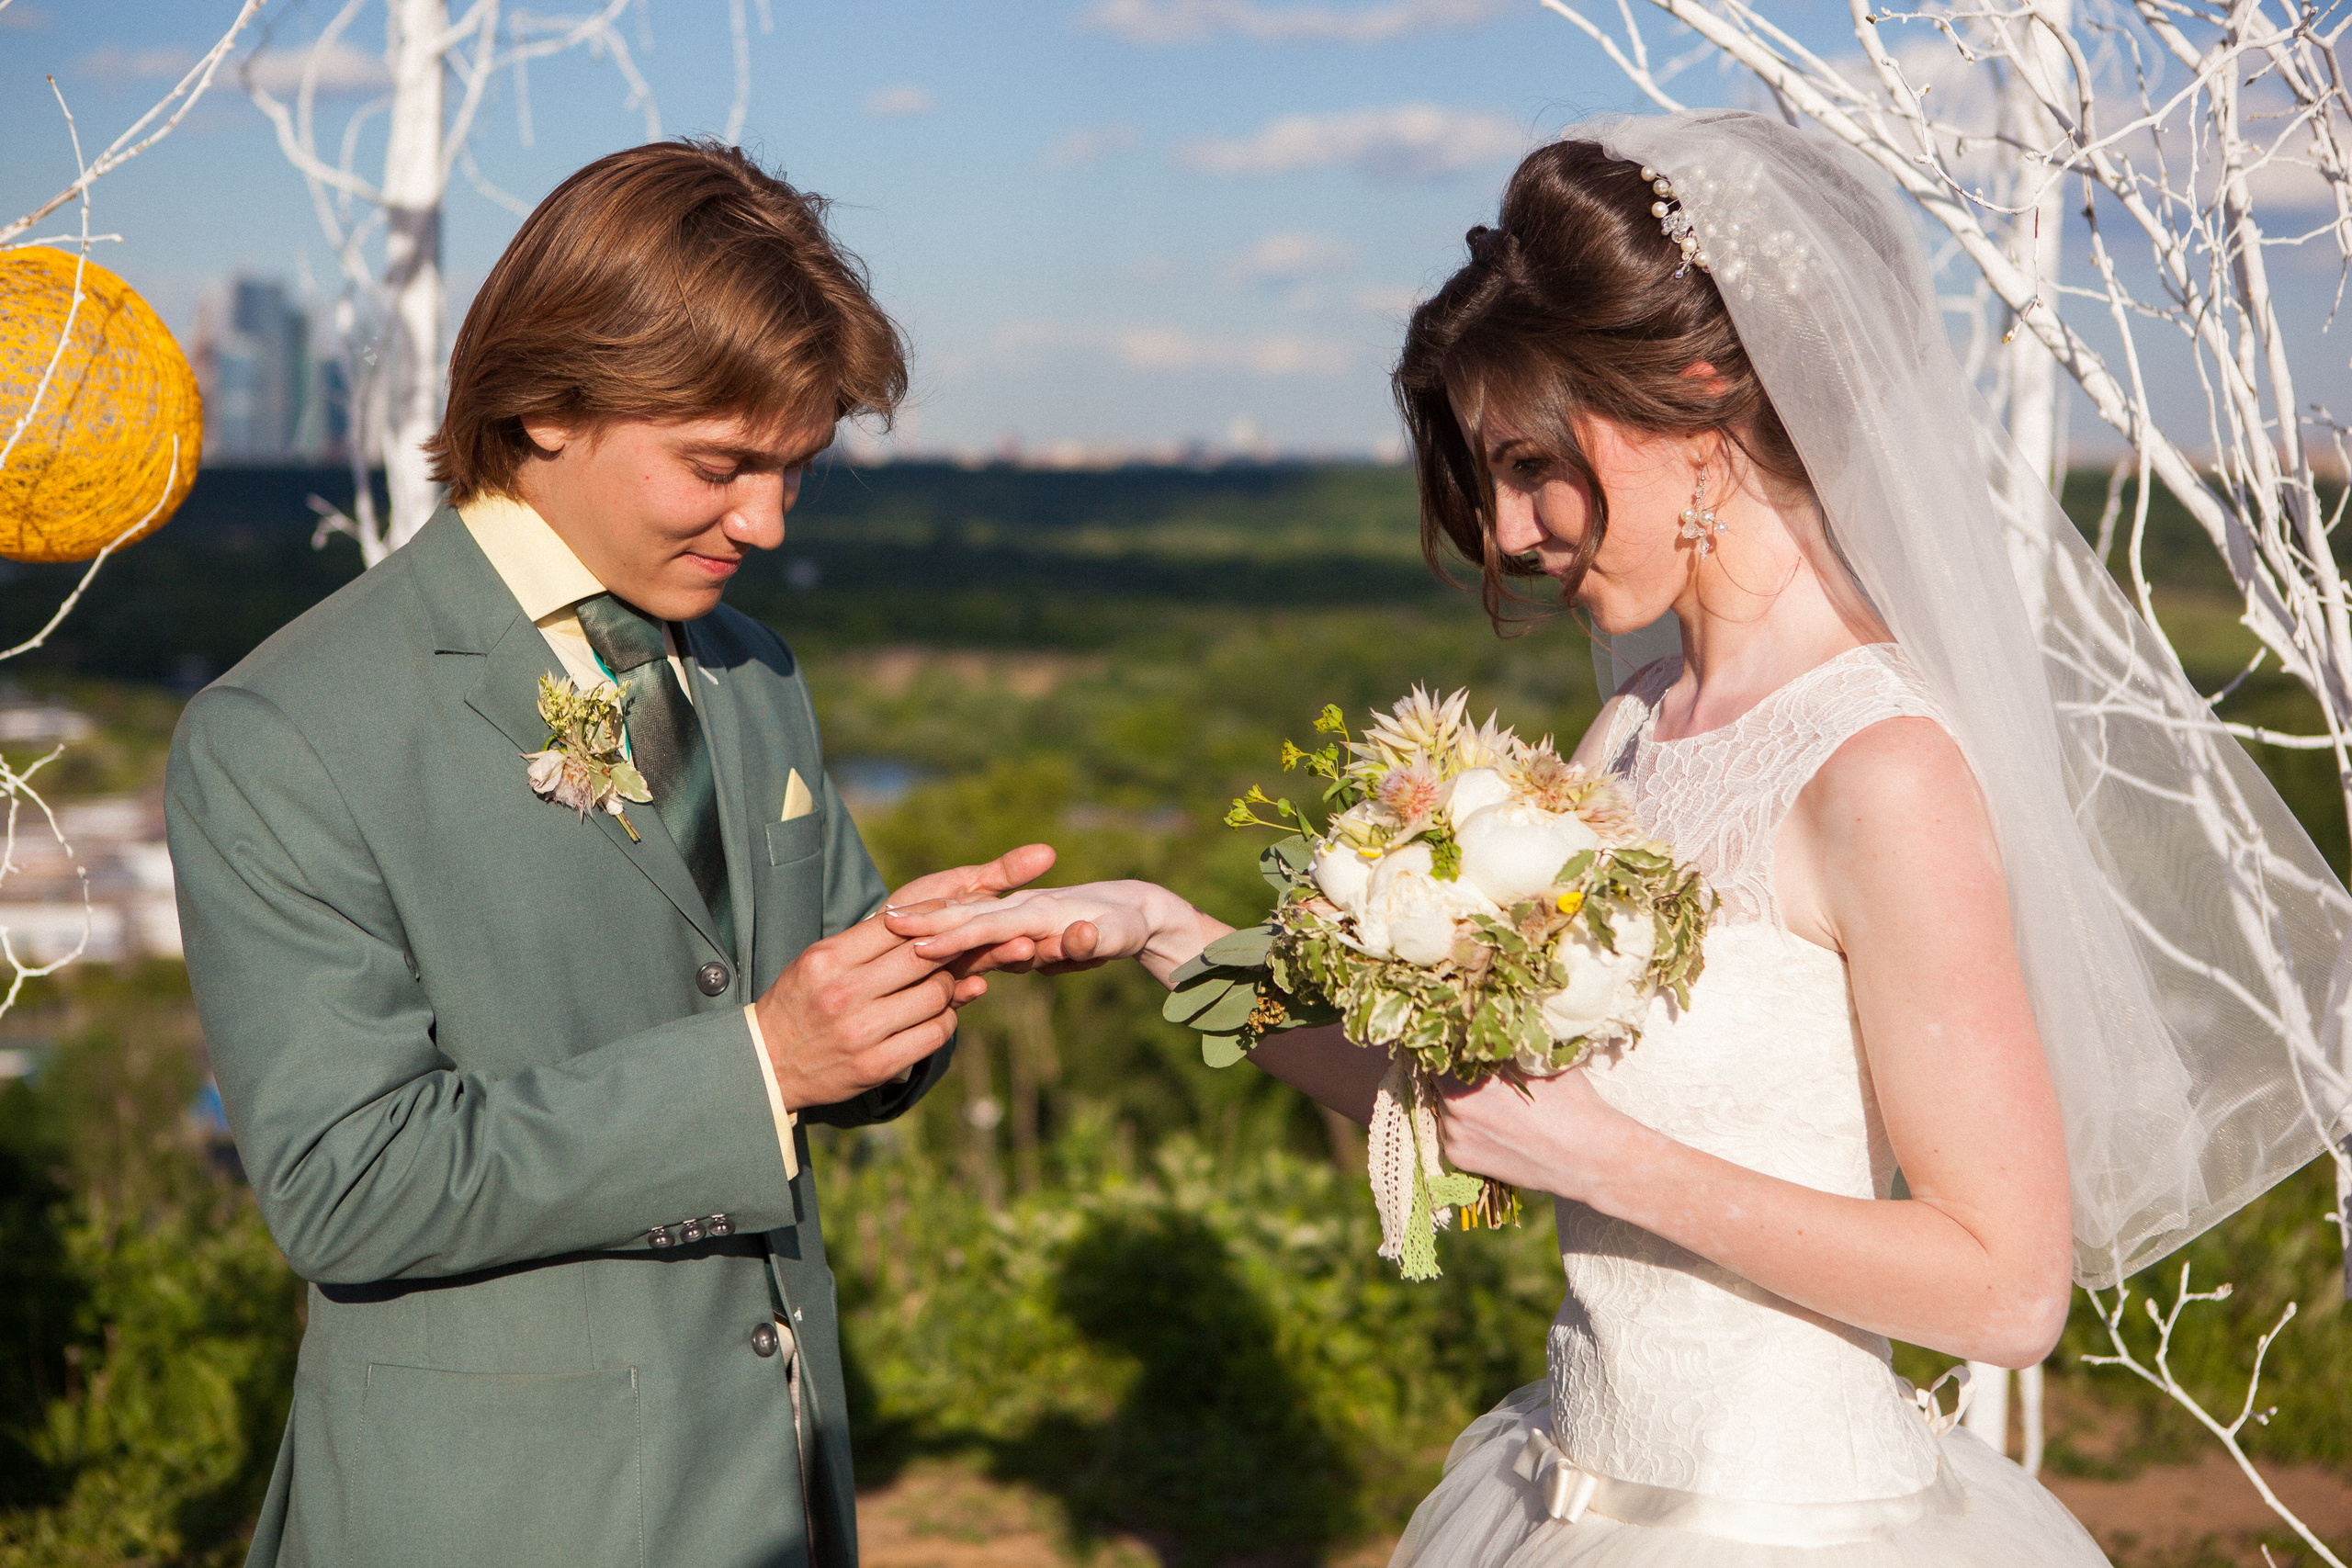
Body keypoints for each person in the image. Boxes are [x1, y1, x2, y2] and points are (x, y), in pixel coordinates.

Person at [889, 111, 2352, 1564]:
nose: (1509, 534)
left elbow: (2005, 1285)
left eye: (1532, 463)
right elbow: (1471, 1121)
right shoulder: (1636, 733)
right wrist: (1168, 937)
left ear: (1701, 401)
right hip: (1563, 1488)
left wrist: (1602, 1159)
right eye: (1487, 477)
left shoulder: (1881, 767)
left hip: (1785, 1530)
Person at [166, 141, 1057, 1568]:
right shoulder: (284, 730)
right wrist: (763, 1069)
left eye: (795, 471)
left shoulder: (751, 671)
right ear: (542, 406)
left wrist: (909, 987)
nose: (765, 522)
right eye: (721, 465)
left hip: (776, 1496)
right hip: (493, 1517)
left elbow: (807, 1009)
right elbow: (346, 1181)